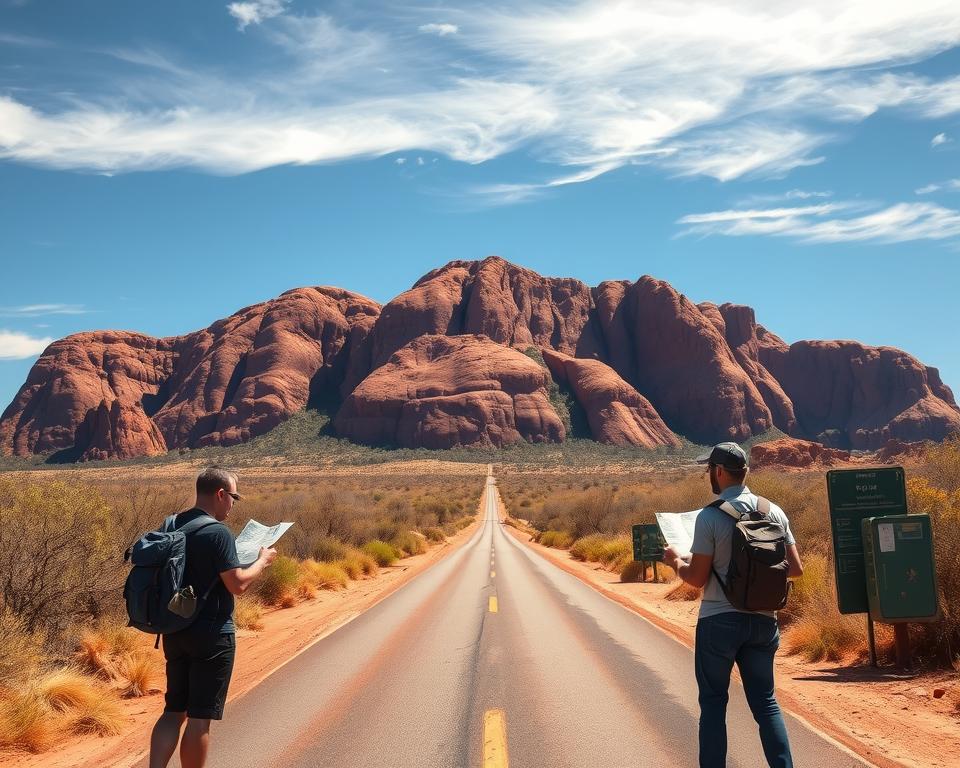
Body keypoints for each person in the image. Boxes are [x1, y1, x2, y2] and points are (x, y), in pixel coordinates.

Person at [662, 442, 803, 768]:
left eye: (710, 469)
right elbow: (795, 568)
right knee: (766, 703)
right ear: (746, 472)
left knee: (713, 704)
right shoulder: (774, 512)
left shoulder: (710, 517)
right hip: (764, 622)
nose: (709, 474)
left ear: (720, 472)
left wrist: (674, 561)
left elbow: (696, 579)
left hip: (719, 623)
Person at [149, 467, 277, 768]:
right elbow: (238, 585)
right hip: (212, 636)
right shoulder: (218, 532)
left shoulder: (173, 523)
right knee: (199, 718)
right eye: (234, 496)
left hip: (175, 630)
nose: (234, 504)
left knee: (173, 711)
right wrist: (262, 561)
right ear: (221, 494)